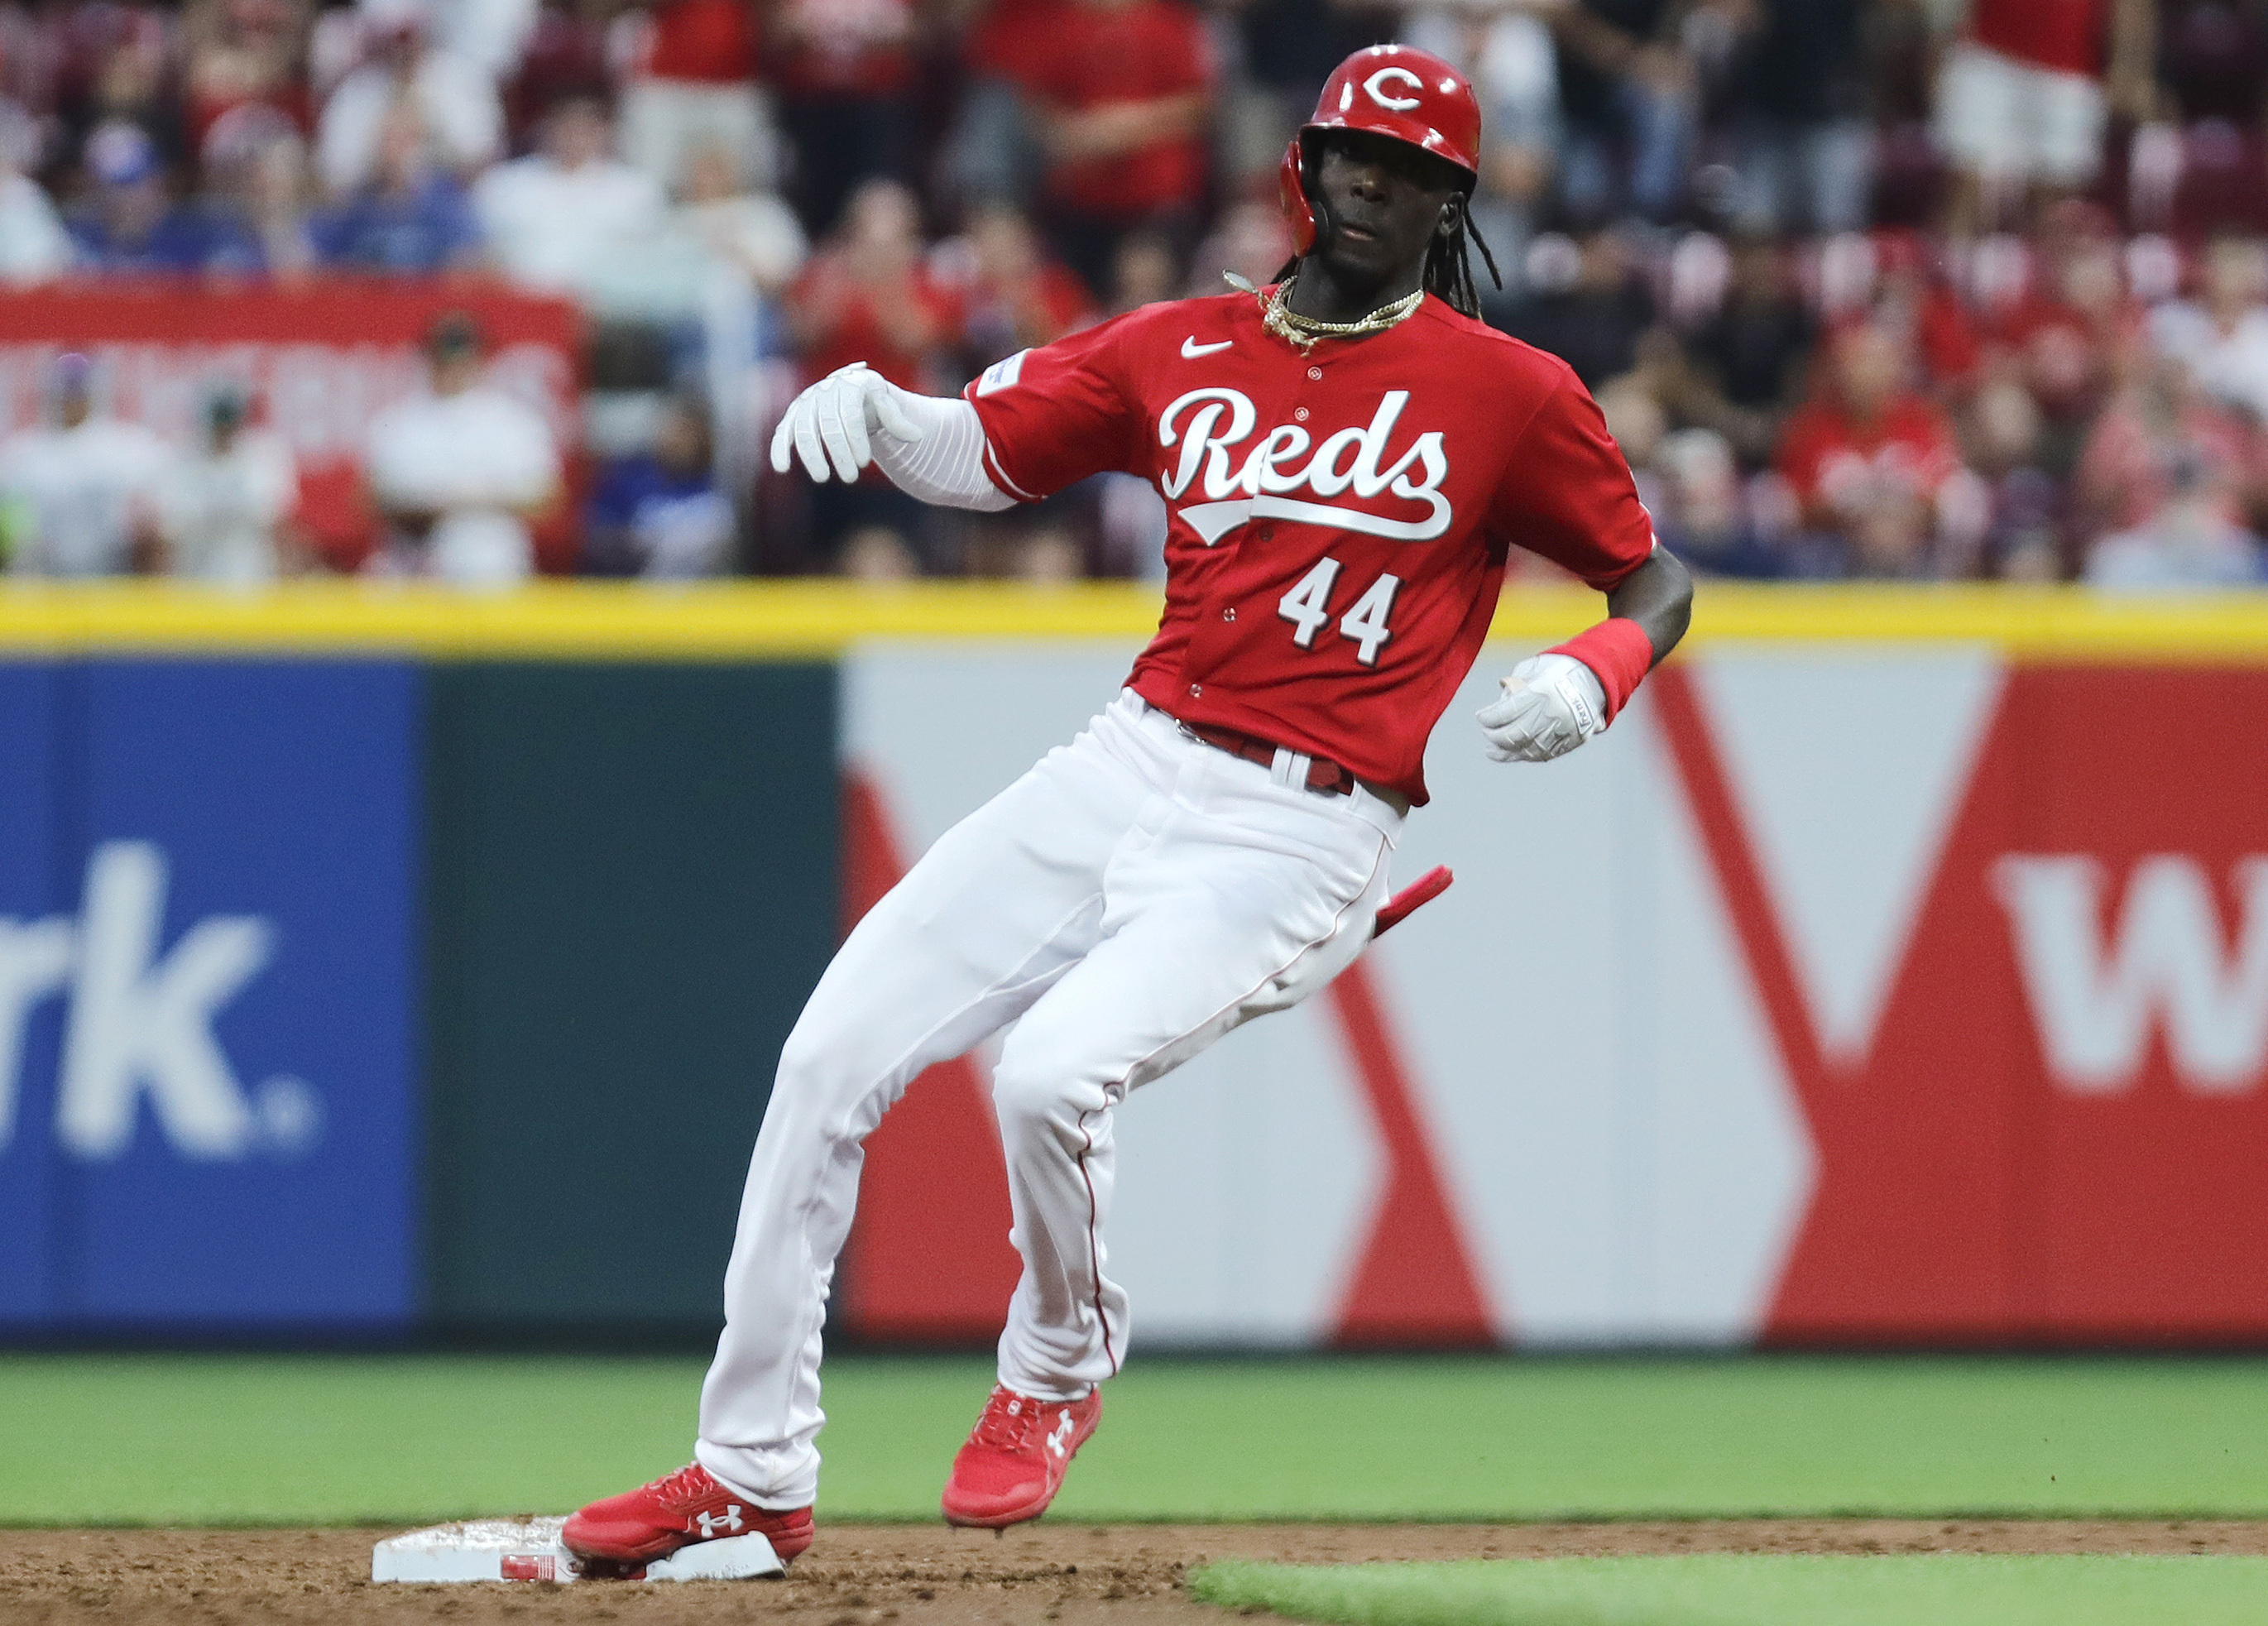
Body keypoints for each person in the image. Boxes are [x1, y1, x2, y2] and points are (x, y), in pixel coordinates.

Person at [561, 45, 1692, 1571]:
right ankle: (748, 1468)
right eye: (1356, 155)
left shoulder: (1507, 391)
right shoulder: (1186, 343)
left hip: (1304, 819)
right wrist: (889, 413)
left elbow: (1654, 574)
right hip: (1132, 755)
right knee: (825, 1056)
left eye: (1415, 171)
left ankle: (1056, 1367)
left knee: (1046, 1080)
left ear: (1451, 205)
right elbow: (992, 450)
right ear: (1307, 166)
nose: (1377, 185)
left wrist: (1601, 667)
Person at [362, 312, 559, 585]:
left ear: (480, 358)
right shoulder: (397, 423)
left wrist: (474, 501)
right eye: (444, 356)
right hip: (414, 574)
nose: (453, 367)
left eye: (462, 356)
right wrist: (426, 509)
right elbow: (367, 502)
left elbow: (547, 501)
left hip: (492, 573)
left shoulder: (513, 423)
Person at [0, 353, 172, 577]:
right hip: (42, 588)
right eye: (66, 392)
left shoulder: (131, 450)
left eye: (78, 392)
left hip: (114, 587)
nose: (72, 400)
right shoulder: (21, 457)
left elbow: (155, 535)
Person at [160, 381, 302, 585]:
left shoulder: (263, 459)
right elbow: (165, 537)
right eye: (218, 419)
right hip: (194, 587)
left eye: (228, 419)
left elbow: (281, 530)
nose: (223, 427)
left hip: (252, 587)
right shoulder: (179, 462)